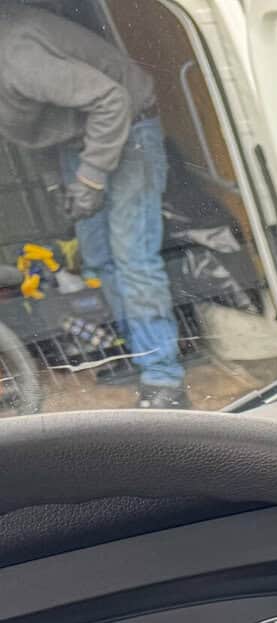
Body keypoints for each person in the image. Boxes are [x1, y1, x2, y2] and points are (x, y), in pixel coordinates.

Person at [0, 1, 185, 408]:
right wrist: (57, 184)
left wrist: (90, 178)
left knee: (133, 258)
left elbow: (112, 101)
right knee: (99, 259)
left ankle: (164, 379)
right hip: (78, 139)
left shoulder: (17, 58)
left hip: (128, 128)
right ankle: (139, 355)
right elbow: (35, 131)